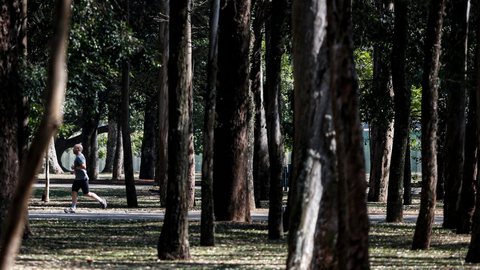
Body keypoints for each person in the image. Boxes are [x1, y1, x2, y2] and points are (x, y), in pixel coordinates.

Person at [64, 144, 107, 213]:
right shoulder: (78, 156)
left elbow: (84, 167)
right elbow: (80, 168)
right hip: (78, 179)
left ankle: (101, 201)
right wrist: (74, 171)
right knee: (74, 191)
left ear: (78, 149)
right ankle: (73, 208)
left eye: (74, 148)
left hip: (83, 179)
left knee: (87, 193)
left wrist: (75, 168)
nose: (73, 149)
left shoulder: (79, 157)